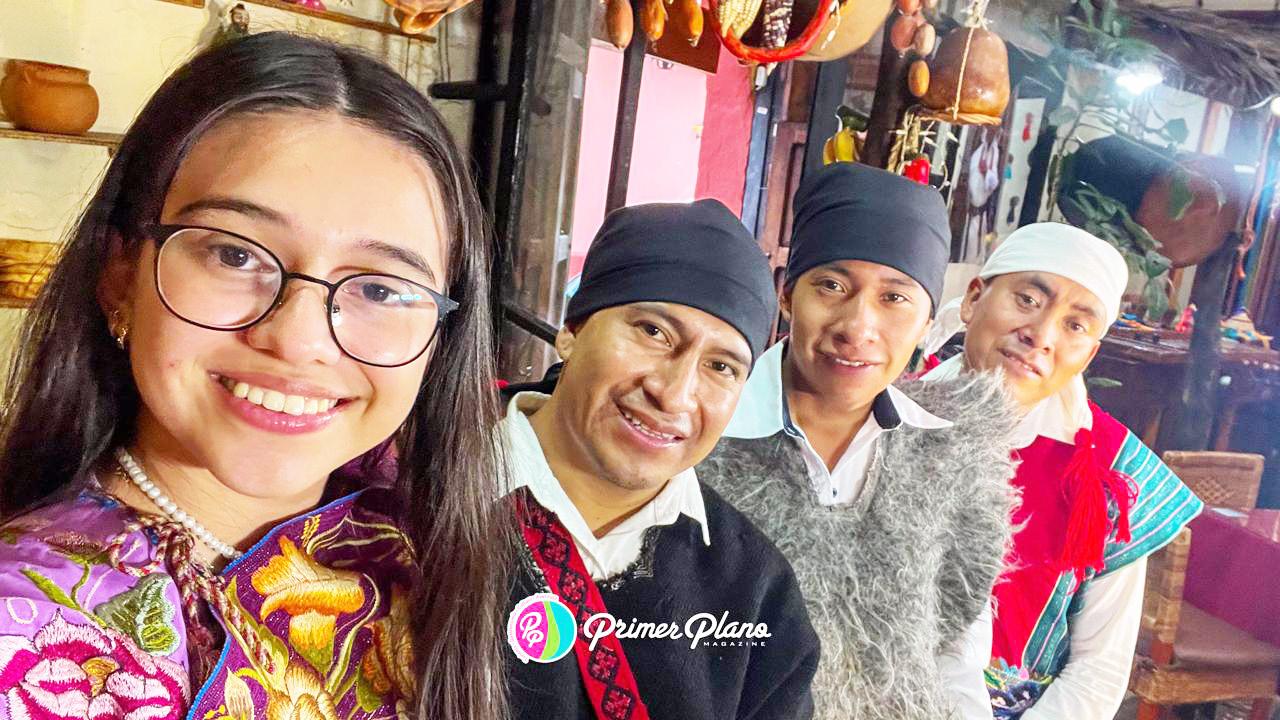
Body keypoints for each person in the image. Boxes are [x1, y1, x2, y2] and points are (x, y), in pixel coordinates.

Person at [0, 32, 511, 720]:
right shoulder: (25, 628)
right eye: (235, 256)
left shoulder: (428, 560)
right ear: (120, 274)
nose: (298, 340)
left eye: (380, 289)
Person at [697, 162, 1021, 720]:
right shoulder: (700, 435)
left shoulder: (953, 455)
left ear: (927, 321)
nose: (857, 326)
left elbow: (955, 656)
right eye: (832, 286)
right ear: (787, 294)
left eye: (895, 298)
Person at [501, 200, 820, 720]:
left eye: (721, 366)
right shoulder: (405, 497)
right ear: (572, 330)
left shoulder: (755, 592)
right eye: (653, 332)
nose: (673, 395)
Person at [923, 222, 1203, 719]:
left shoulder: (1110, 473)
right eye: (1027, 300)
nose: (1041, 335)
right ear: (973, 299)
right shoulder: (889, 418)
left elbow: (1098, 669)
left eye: (1075, 326)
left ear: (1090, 353)